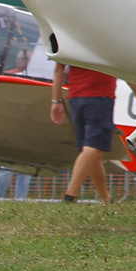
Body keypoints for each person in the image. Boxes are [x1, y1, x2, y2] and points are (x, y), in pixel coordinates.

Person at [51, 63, 119, 203]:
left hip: (76, 98)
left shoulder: (71, 42)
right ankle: (70, 195)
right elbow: (120, 64)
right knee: (93, 147)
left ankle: (106, 199)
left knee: (94, 154)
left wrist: (56, 100)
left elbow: (59, 68)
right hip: (100, 98)